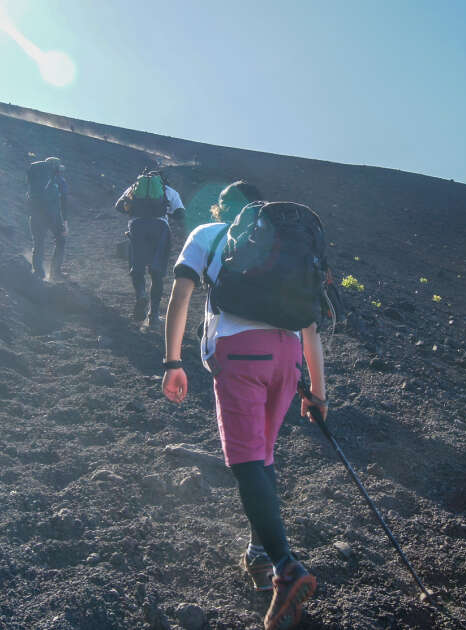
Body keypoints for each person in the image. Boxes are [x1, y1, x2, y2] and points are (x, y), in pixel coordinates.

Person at [161, 181, 326, 630]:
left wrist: (173, 360)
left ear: (222, 208)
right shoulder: (279, 243)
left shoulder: (208, 234)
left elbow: (181, 296)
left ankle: (286, 569)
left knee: (247, 460)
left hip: (240, 352)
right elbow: (309, 324)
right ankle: (258, 552)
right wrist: (317, 390)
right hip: (288, 356)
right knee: (264, 456)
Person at [115, 169, 185, 324]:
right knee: (157, 272)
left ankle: (141, 294)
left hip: (137, 226)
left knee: (137, 268)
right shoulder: (168, 191)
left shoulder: (134, 188)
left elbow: (118, 206)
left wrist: (134, 211)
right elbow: (180, 214)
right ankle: (153, 316)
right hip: (160, 228)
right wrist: (166, 212)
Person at [26, 156, 69, 280]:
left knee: (38, 243)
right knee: (61, 240)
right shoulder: (60, 181)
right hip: (52, 216)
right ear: (56, 168)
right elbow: (64, 202)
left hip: (35, 215)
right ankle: (55, 272)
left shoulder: (34, 180)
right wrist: (65, 222)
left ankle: (38, 273)